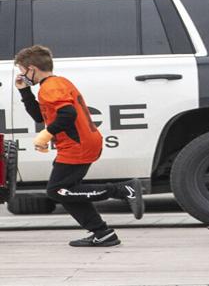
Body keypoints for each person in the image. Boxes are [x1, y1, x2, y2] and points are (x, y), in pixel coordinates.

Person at [13, 45, 143, 247]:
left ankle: (123, 189)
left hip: (78, 146)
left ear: (32, 68)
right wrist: (25, 92)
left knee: (57, 191)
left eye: (22, 71)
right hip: (79, 144)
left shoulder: (51, 87)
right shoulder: (55, 84)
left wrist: (47, 134)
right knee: (67, 191)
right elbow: (40, 116)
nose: (22, 75)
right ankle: (103, 233)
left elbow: (68, 115)